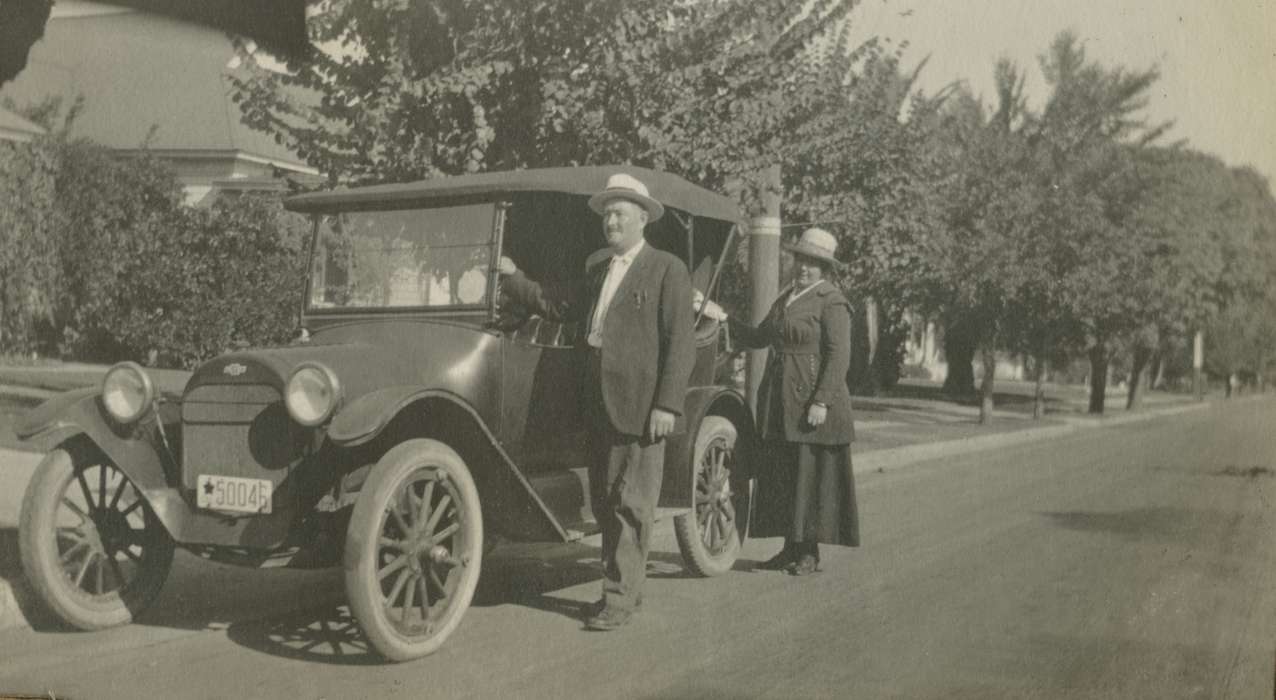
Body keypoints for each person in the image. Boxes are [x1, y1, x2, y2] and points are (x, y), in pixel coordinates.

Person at [498, 173, 695, 630]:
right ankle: (625, 588)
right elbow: (555, 304)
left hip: (642, 406)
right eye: (606, 213)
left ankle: (619, 598)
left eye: (619, 212)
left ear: (642, 219)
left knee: (633, 503)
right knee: (607, 502)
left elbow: (680, 341)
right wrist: (514, 278)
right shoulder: (598, 270)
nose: (610, 220)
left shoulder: (666, 269)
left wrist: (667, 405)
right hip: (598, 404)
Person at [729, 227, 859, 576]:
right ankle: (790, 548)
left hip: (811, 400)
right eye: (801, 259)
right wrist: (720, 316)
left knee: (809, 475)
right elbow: (759, 337)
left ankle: (808, 554)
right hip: (780, 398)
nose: (804, 268)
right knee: (785, 475)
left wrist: (822, 401)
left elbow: (838, 355)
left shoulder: (831, 301)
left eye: (813, 263)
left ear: (826, 269)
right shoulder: (788, 297)